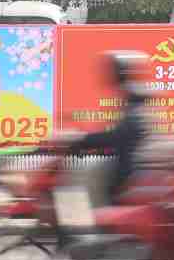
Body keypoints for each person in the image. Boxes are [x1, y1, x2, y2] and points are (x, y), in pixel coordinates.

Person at [65, 51, 155, 205]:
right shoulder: (133, 95)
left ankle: (85, 224)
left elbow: (120, 134)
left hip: (133, 171)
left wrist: (81, 140)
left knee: (87, 177)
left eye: (111, 70)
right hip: (135, 166)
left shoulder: (134, 96)